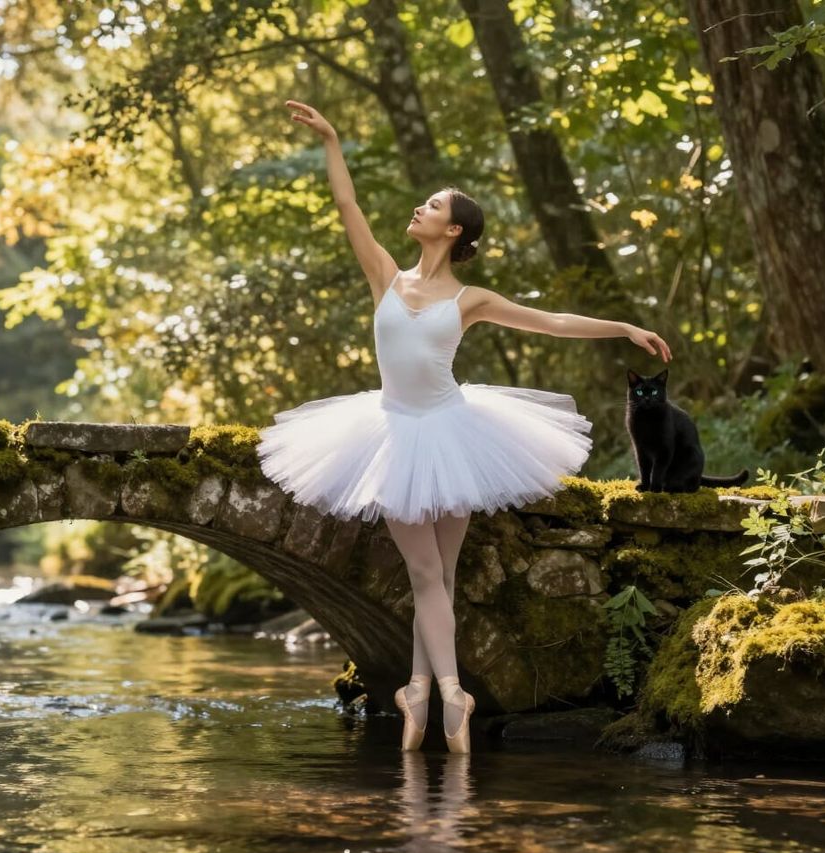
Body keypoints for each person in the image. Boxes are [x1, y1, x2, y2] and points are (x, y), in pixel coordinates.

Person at [259, 100, 672, 754]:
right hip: (392, 435)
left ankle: (421, 690)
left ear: (453, 231)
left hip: (453, 431)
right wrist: (332, 140)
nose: (420, 209)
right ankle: (446, 692)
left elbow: (551, 321)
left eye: (432, 206)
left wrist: (621, 326)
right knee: (427, 576)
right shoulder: (386, 279)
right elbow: (349, 210)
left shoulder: (470, 300)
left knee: (441, 579)